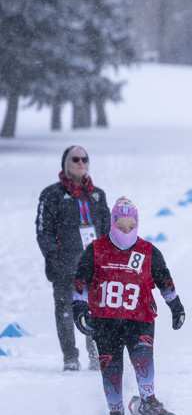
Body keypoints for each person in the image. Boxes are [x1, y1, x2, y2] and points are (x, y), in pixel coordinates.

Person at [71, 197, 185, 415]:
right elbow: (80, 283)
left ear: (137, 223)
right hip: (105, 319)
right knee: (111, 367)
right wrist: (80, 309)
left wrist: (176, 306)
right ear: (112, 223)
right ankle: (115, 412)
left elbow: (165, 282)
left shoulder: (148, 251)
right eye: (120, 226)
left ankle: (149, 402)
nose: (126, 230)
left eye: (130, 226)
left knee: (143, 358)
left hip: (140, 317)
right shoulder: (96, 249)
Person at [35, 145, 110, 371]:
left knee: (96, 308)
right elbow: (43, 230)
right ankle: (70, 357)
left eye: (84, 159)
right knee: (66, 310)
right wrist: (51, 257)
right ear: (65, 164)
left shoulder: (98, 195)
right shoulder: (52, 194)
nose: (80, 163)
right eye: (75, 159)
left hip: (94, 263)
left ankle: (97, 355)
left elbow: (108, 229)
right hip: (64, 264)